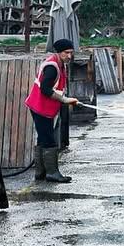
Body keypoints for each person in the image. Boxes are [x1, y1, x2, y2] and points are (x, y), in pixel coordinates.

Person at [25, 38, 78, 182]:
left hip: (42, 107)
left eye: (71, 53)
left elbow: (56, 88)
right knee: (49, 139)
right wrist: (64, 100)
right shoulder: (52, 67)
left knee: (42, 138)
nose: (69, 56)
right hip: (40, 107)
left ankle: (40, 172)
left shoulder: (60, 64)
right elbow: (45, 89)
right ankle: (52, 173)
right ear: (59, 52)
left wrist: (65, 98)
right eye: (66, 53)